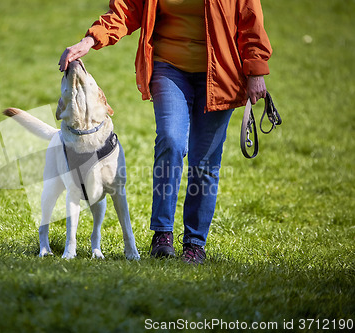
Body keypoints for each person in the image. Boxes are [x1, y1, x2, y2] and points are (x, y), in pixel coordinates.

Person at [59, 0, 272, 264]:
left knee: (204, 163)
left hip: (220, 75)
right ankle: (162, 234)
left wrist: (256, 70)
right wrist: (91, 40)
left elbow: (250, 21)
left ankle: (195, 243)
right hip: (168, 66)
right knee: (171, 140)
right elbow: (127, 9)